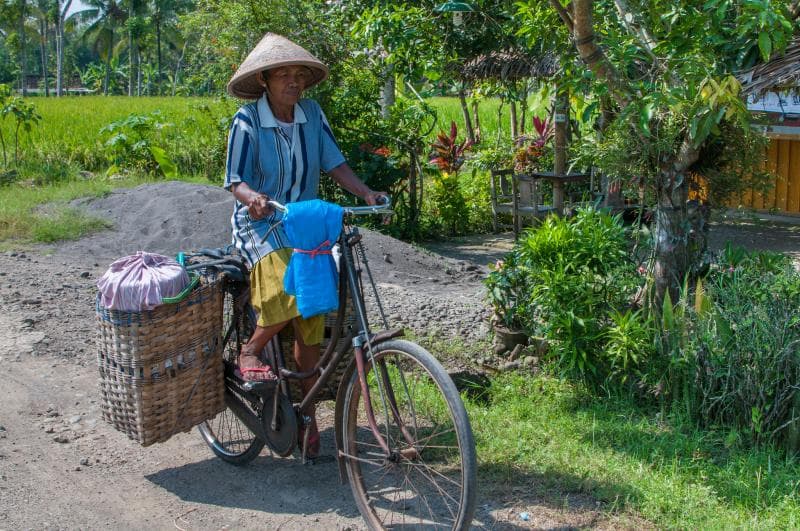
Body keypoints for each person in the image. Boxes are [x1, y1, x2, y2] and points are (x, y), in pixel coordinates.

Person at [224, 32, 385, 457]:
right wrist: (252, 198)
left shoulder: (312, 115)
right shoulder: (246, 120)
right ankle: (251, 349)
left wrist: (365, 193)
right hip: (260, 224)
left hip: (306, 223)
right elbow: (234, 180)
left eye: (299, 75)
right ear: (264, 80)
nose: (293, 82)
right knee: (287, 285)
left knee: (312, 313)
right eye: (283, 75)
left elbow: (335, 162)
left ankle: (308, 414)